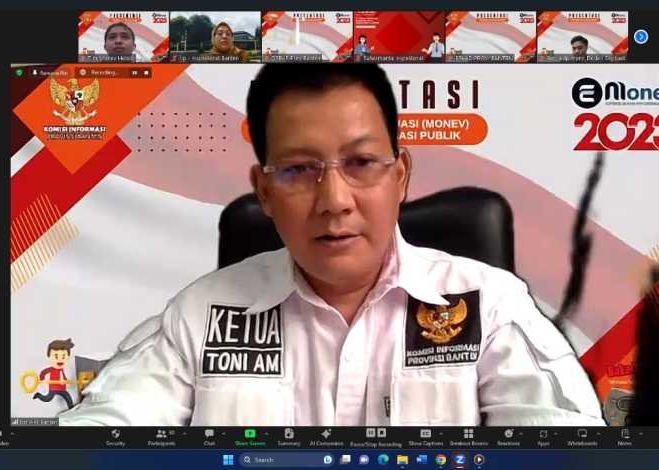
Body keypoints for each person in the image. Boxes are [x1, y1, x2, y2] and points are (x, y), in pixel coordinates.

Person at [59, 64, 605, 426]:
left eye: (362, 162)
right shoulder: (199, 316)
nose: (334, 201)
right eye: (299, 169)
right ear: (264, 192)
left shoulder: (491, 305)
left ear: (400, 176)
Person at [33, 339, 75, 410]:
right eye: (56, 356)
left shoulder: (62, 369)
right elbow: (43, 372)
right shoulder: (51, 369)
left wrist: (65, 381)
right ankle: (38, 395)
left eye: (63, 357)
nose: (60, 360)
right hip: (53, 388)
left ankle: (71, 409)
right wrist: (41, 379)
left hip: (62, 388)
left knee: (68, 398)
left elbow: (63, 376)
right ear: (49, 356)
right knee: (47, 398)